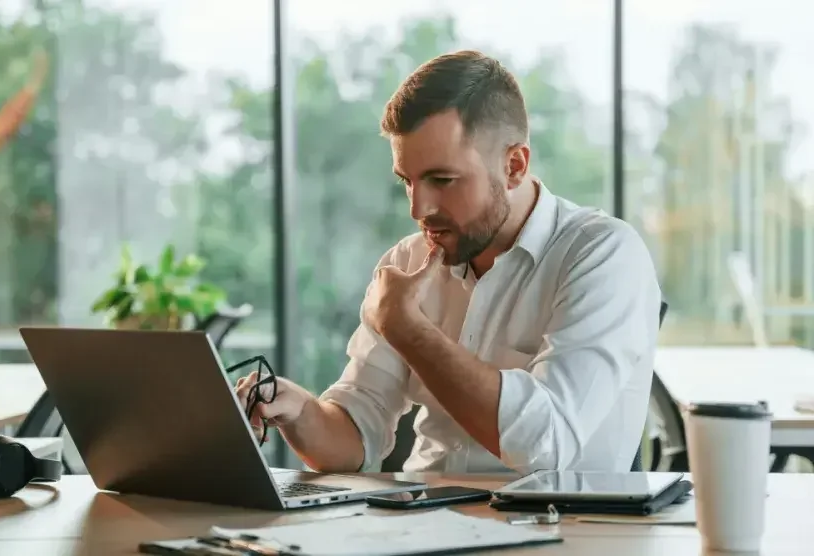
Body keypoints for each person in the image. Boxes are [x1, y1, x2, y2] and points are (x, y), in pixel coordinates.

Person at [235, 50, 661, 474]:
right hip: (421, 525)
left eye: (442, 180)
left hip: (558, 533)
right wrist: (300, 412)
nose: (418, 208)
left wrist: (409, 330)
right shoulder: (408, 261)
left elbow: (546, 445)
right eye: (408, 181)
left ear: (514, 165)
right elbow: (355, 438)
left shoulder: (604, 255)